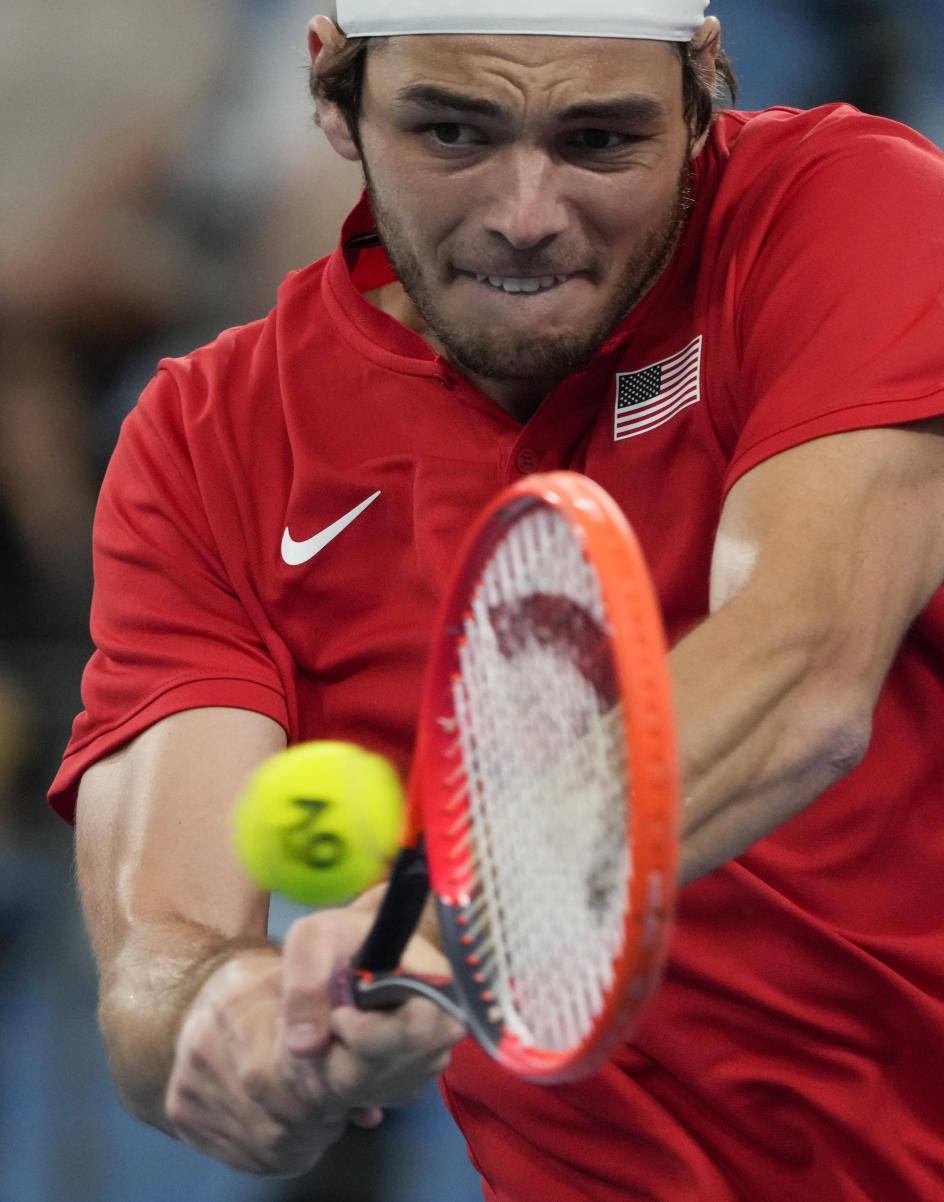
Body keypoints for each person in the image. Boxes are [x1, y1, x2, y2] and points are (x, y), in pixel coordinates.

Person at [50, 1, 944, 1198]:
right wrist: (239, 1022)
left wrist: (432, 929)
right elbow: (160, 950)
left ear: (705, 91)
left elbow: (803, 664)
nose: (527, 217)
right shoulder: (210, 440)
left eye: (601, 142)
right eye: (453, 134)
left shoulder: (855, 206)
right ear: (333, 92)